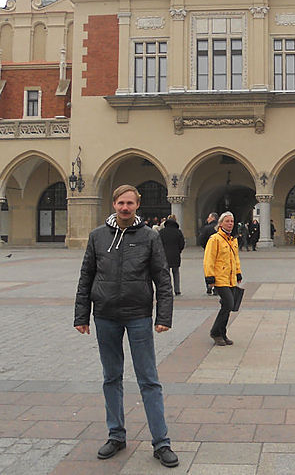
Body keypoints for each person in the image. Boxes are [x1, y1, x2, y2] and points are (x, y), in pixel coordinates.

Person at [73, 184, 179, 469]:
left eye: (130, 203)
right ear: (114, 203)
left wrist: (163, 317)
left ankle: (161, 442)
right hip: (105, 315)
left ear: (137, 205)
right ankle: (116, 435)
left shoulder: (148, 237)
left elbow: (162, 277)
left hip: (138, 315)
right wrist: (81, 316)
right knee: (111, 377)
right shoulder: (97, 236)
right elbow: (86, 277)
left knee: (149, 379)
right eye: (121, 203)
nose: (125, 208)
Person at [203, 211, 242, 346]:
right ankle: (215, 332)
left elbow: (235, 258)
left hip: (230, 277)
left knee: (227, 306)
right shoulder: (215, 239)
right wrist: (209, 277)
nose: (230, 223)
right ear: (220, 223)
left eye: (232, 221)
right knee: (229, 304)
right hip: (219, 277)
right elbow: (209, 259)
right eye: (227, 221)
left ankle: (222, 333)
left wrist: (238, 272)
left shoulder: (233, 239)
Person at [159, 215, 185, 296]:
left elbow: (158, 243)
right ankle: (177, 290)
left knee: (165, 274)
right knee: (176, 272)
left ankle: (167, 289)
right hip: (175, 255)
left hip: (164, 255)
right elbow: (182, 243)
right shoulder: (178, 232)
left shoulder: (161, 232)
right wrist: (178, 250)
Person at [197, 212, 218, 294]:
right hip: (219, 252)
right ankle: (217, 287)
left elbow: (201, 240)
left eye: (209, 217)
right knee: (217, 269)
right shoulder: (219, 227)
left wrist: (206, 247)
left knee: (208, 268)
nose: (207, 219)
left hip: (209, 251)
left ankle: (209, 286)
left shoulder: (206, 228)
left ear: (213, 218)